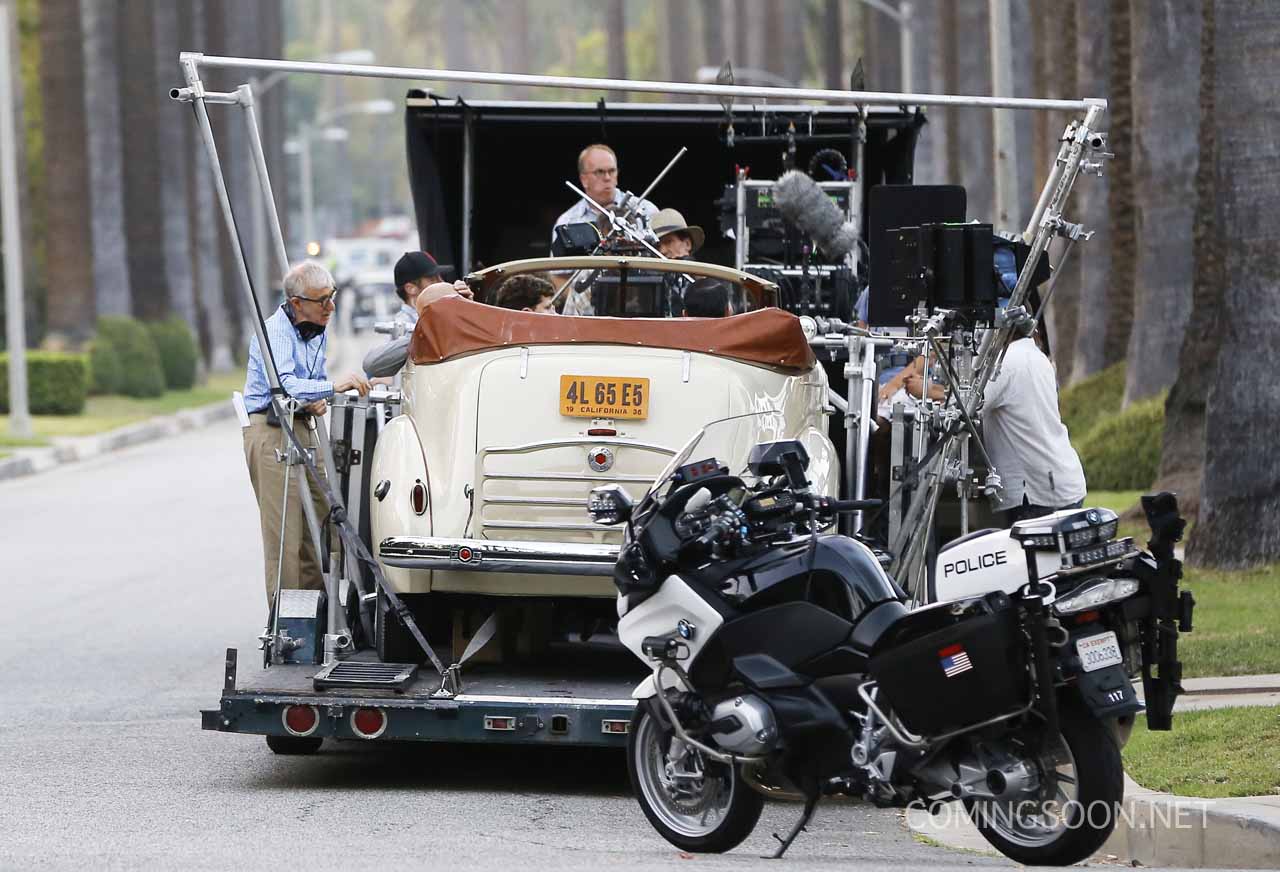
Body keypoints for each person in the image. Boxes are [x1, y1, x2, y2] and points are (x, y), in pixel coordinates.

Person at [242, 261, 371, 603]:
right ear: (297, 303)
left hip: (300, 424)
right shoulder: (277, 331)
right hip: (270, 429)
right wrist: (331, 387)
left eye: (333, 297)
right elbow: (283, 386)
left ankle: (315, 613)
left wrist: (314, 397)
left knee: (322, 518)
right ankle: (286, 624)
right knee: (285, 533)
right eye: (322, 300)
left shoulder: (317, 325)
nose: (330, 307)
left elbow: (306, 384)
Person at [978, 331, 1086, 525]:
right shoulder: (1037, 356)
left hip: (1038, 491)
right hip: (1062, 479)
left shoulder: (1005, 363)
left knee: (1029, 556)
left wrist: (926, 389)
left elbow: (968, 403)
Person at [551, 144, 659, 247]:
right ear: (584, 179)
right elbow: (559, 266)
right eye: (599, 172)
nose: (607, 177)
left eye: (612, 171)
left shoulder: (646, 210)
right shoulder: (567, 222)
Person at [362, 280, 474, 378]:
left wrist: (472, 309)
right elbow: (371, 364)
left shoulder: (475, 333)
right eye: (432, 279)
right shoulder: (421, 340)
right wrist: (422, 336)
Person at [392, 250, 443, 326]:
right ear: (411, 288)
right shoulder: (402, 328)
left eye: (440, 278)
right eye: (432, 279)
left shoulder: (435, 316)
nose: (442, 282)